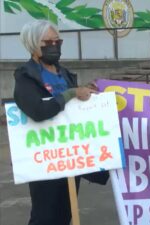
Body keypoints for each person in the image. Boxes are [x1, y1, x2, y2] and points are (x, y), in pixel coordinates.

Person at [13, 20, 105, 225]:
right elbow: (38, 110)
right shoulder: (26, 77)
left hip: (69, 156)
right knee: (45, 217)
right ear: (33, 45)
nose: (54, 46)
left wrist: (86, 92)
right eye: (47, 42)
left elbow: (74, 108)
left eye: (57, 41)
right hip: (44, 159)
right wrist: (72, 93)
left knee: (65, 213)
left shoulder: (64, 74)